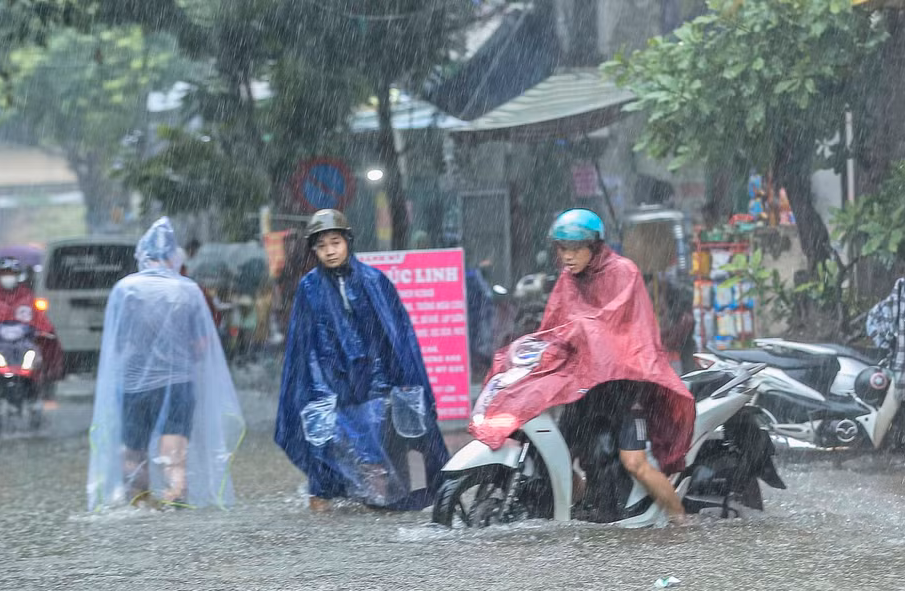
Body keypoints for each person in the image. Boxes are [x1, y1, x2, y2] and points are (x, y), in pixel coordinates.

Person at [471, 209, 695, 522]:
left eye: (575, 248)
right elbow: (555, 326)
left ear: (594, 246)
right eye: (563, 248)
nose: (568, 256)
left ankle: (680, 520)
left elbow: (615, 324)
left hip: (626, 387)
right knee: (555, 457)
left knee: (634, 463)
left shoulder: (624, 272)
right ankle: (587, 506)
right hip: (586, 388)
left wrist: (579, 328)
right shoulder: (568, 280)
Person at [275, 209, 450, 512]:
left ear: (347, 242)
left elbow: (396, 337)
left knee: (377, 460)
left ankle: (381, 515)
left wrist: (400, 382)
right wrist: (314, 389)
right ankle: (330, 526)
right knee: (323, 460)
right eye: (322, 246)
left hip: (375, 387)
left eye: (335, 243)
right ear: (314, 250)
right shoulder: (309, 288)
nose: (330, 251)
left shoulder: (373, 280)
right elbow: (303, 345)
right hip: (331, 389)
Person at [87, 217, 244, 510]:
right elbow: (202, 344)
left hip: (134, 385)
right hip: (178, 382)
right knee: (174, 448)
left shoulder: (124, 290)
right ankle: (176, 497)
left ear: (142, 255)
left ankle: (138, 501)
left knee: (133, 449)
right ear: (174, 256)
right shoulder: (188, 291)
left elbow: (115, 344)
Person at [0, 255, 64, 401]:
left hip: (24, 345)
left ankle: (45, 386)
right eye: (4, 273)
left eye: (11, 273)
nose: (8, 277)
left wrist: (44, 332)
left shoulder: (27, 297)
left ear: (17, 276)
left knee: (48, 349)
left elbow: (40, 320)